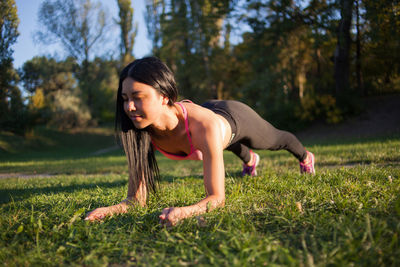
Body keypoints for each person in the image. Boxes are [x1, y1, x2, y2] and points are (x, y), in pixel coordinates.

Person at [85, 57, 315, 226]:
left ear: (164, 97)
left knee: (274, 139)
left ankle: (305, 157)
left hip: (234, 117)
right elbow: (137, 200)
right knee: (216, 146)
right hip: (204, 120)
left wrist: (185, 211)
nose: (129, 107)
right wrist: (112, 209)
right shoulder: (140, 129)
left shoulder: (204, 126)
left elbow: (217, 198)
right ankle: (250, 161)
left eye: (137, 97)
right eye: (125, 99)